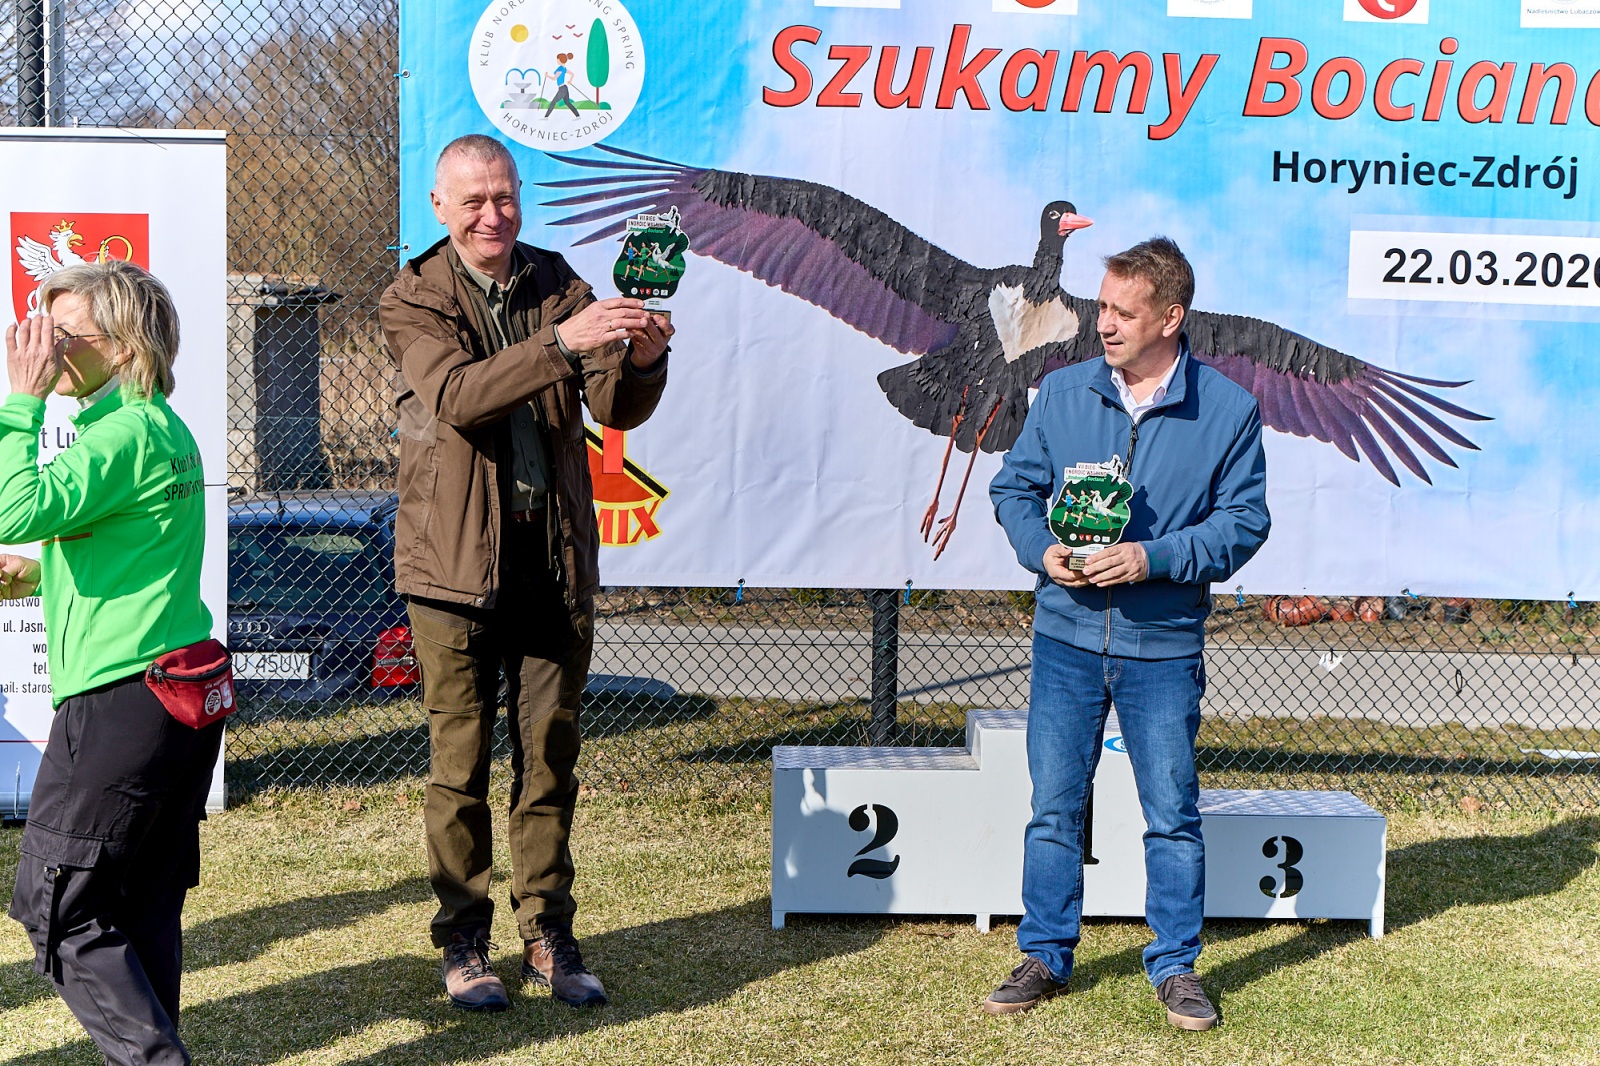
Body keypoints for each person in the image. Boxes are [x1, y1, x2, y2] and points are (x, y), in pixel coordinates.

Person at [379, 133, 672, 1012]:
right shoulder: (413, 297)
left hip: (552, 559)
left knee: (549, 761)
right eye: (471, 201)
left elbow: (615, 403)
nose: (491, 216)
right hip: (452, 571)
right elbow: (461, 396)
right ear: (439, 207)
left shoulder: (559, 281)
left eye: (503, 197)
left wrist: (645, 354)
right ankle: (463, 942)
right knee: (459, 766)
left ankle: (549, 935)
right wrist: (563, 340)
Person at [986, 237, 1269, 1030]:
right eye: (1101, 306)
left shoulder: (1229, 409)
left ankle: (1175, 966)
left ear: (1171, 318)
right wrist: (1042, 549)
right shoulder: (1065, 392)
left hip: (1165, 649)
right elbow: (1014, 489)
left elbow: (1245, 524)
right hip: (1065, 640)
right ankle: (1045, 954)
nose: (1102, 322)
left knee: (1172, 813)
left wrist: (1152, 558)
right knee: (1054, 807)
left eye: (1122, 311)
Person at [2, 261, 221, 1066]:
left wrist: (20, 401)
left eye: (63, 334)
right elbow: (138, 554)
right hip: (172, 697)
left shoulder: (123, 435)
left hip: (119, 702)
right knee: (137, 904)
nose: (45, 346)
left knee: (55, 909)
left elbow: (11, 505)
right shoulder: (155, 428)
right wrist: (33, 573)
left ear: (125, 346)